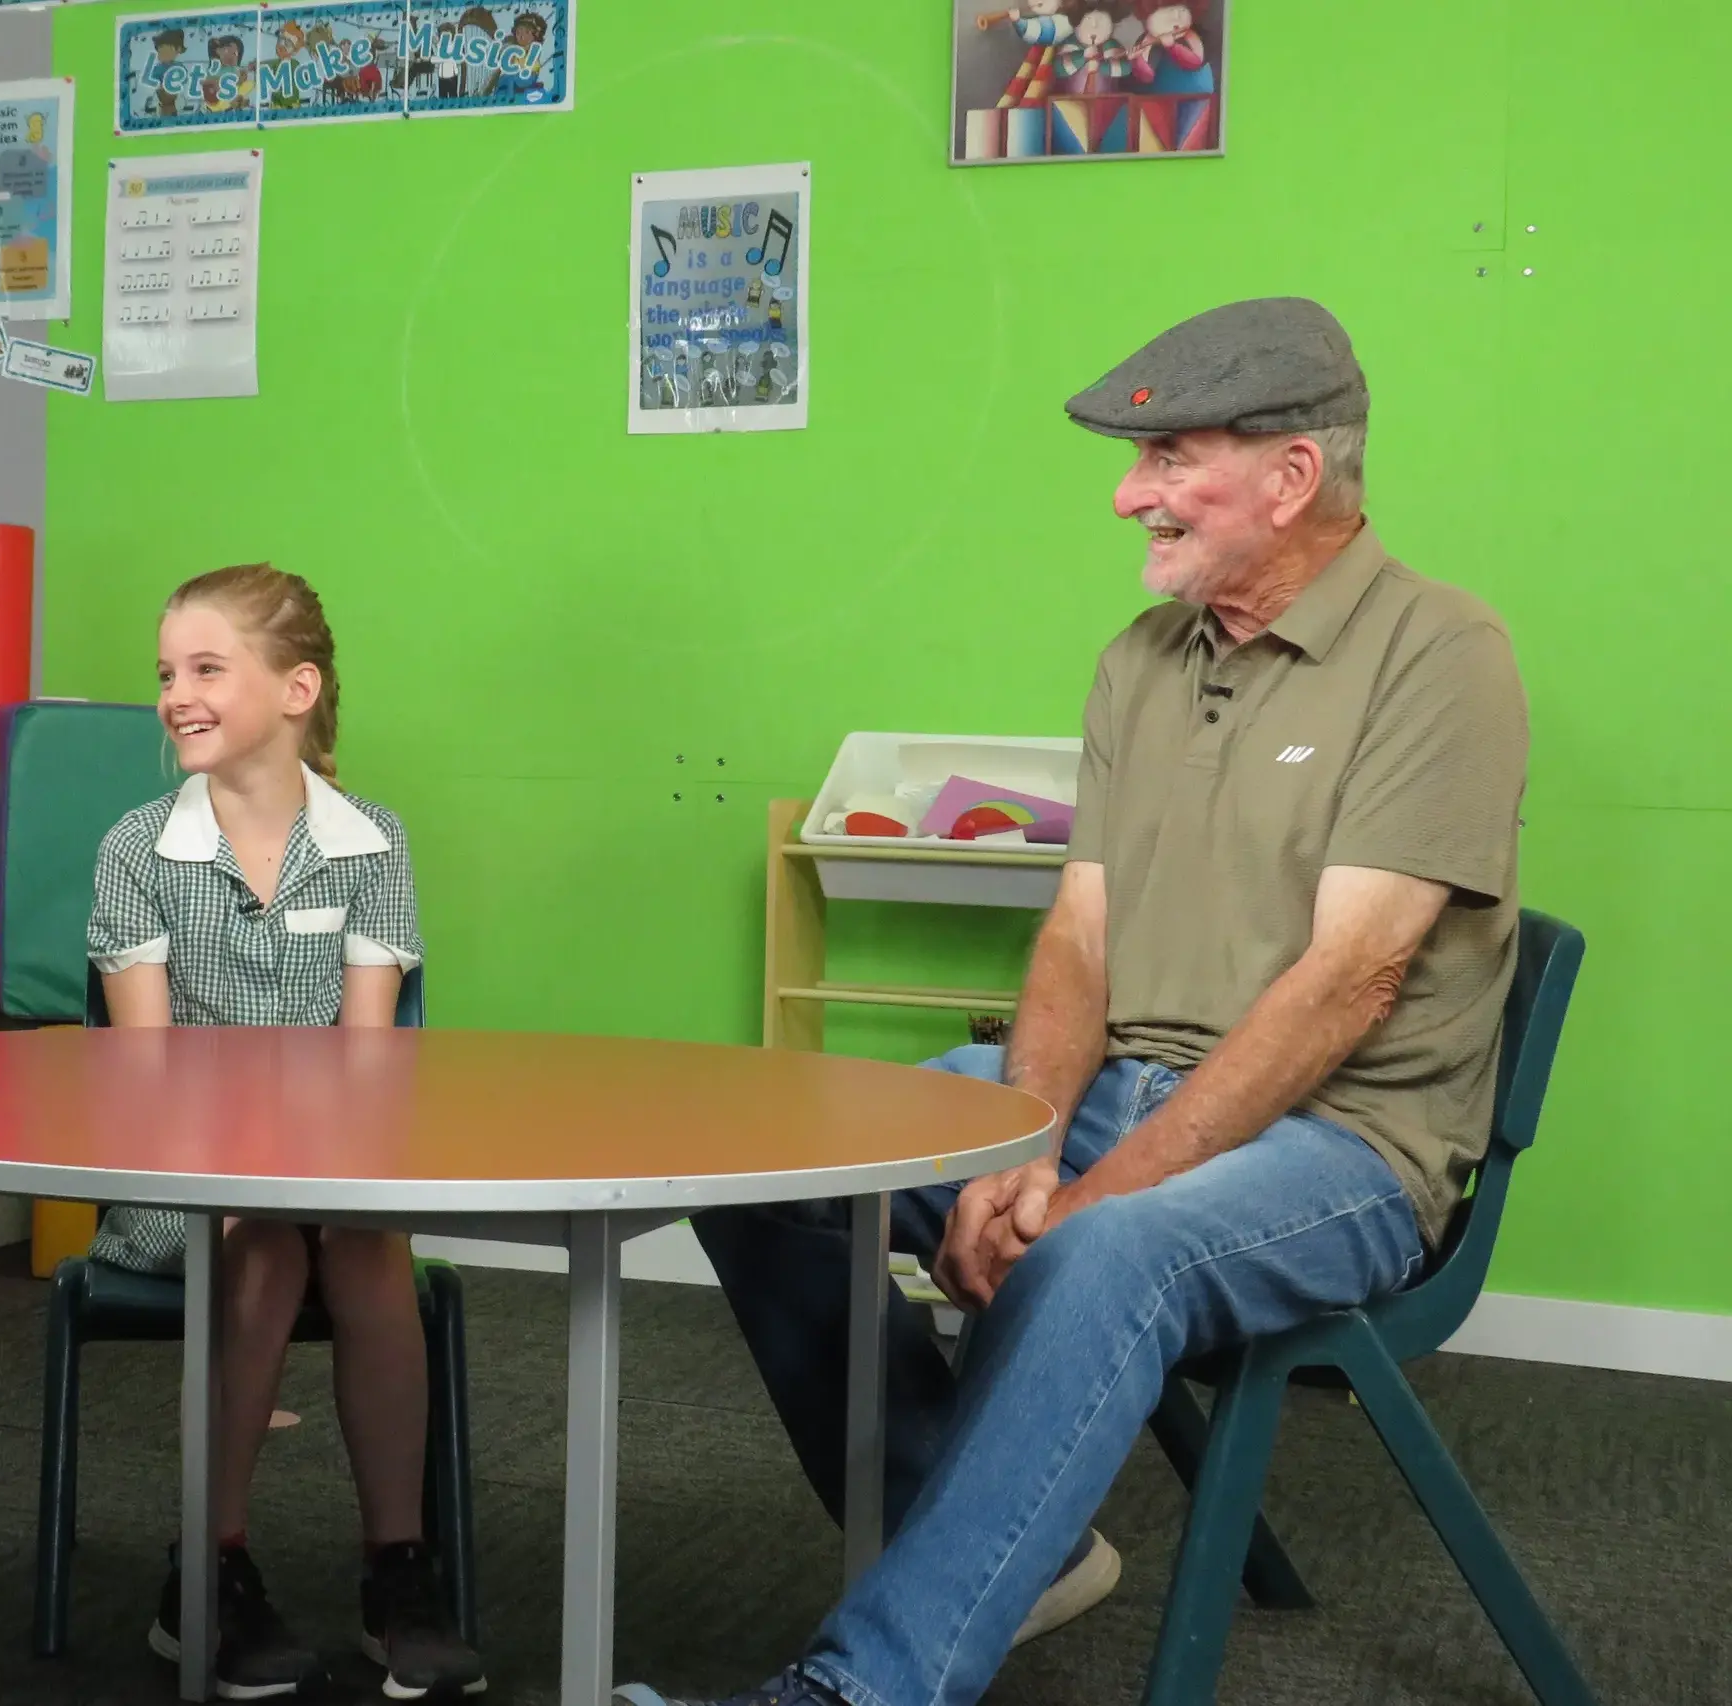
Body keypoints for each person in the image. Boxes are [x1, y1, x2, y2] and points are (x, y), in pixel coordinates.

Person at [622, 297, 1528, 1706]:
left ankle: (865, 1685)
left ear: (1291, 478)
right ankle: (989, 1535)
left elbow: (1348, 983)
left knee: (1097, 1262)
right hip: (1117, 1093)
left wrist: (1083, 1204)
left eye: (1169, 457)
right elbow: (1079, 940)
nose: (1130, 495)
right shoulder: (1141, 660)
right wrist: (1029, 1144)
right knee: (775, 1163)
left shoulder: (1441, 654)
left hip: (1347, 1144)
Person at [86, 565, 485, 1702]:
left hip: (330, 1166)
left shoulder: (372, 843)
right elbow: (144, 1080)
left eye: (207, 668)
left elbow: (369, 1071)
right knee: (261, 1237)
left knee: (367, 1240)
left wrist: (317, 1169)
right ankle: (206, 1569)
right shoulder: (133, 849)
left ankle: (395, 1568)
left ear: (297, 687)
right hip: (177, 1176)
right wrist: (254, 1169)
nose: (175, 693)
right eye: (167, 671)